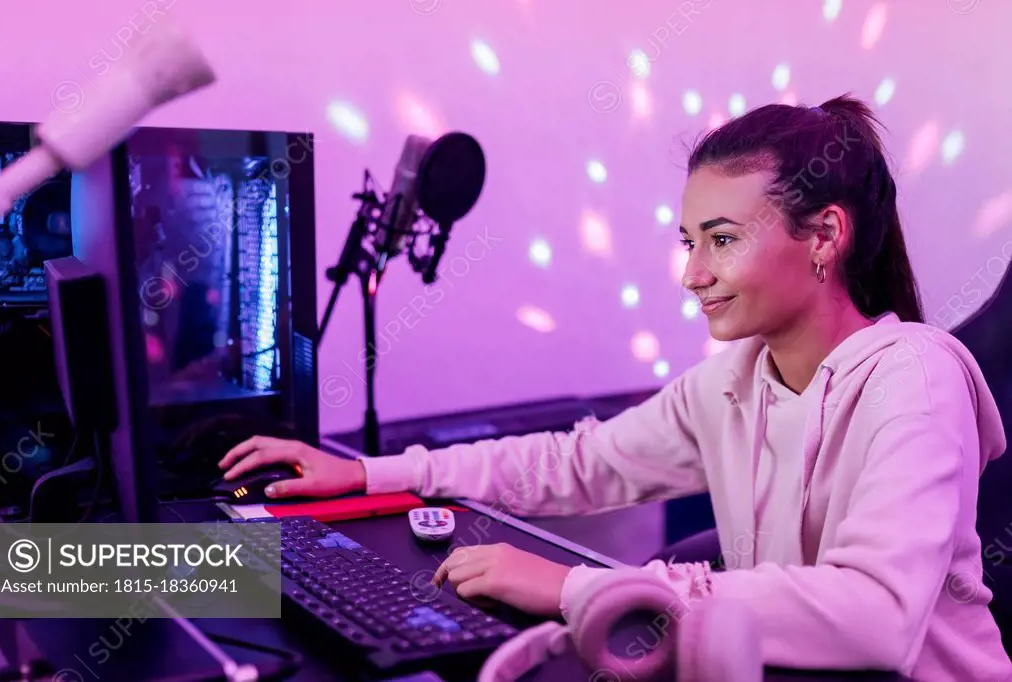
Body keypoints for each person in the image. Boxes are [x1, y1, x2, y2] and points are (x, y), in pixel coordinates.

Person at [218, 94, 1011, 681]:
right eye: (690, 241)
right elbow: (576, 463)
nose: (694, 274)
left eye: (723, 241)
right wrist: (367, 475)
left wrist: (576, 587)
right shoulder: (735, 381)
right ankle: (94, 573)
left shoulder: (916, 378)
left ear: (826, 237)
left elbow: (873, 619)